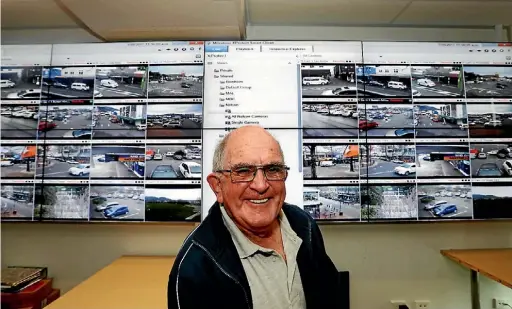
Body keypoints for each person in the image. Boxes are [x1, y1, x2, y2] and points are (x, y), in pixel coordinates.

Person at [168, 125, 341, 309]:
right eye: (243, 171)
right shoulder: (195, 266)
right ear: (217, 186)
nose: (260, 185)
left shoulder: (303, 225)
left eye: (273, 168)